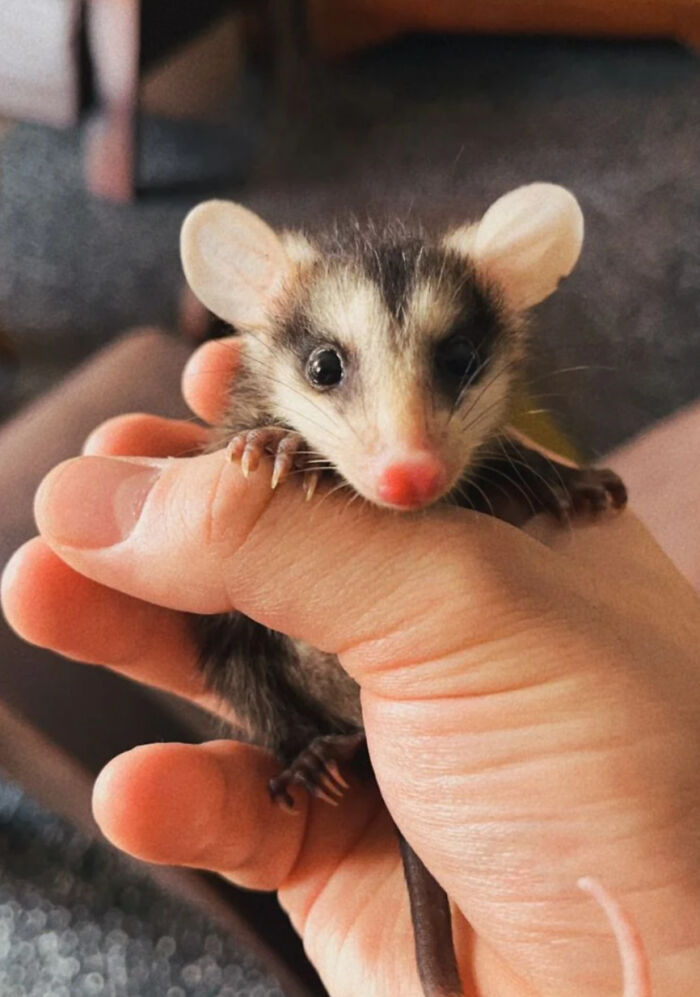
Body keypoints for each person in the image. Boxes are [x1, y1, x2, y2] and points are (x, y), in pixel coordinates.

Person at [2, 337, 699, 996]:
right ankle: (307, 745)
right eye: (331, 372)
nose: (404, 451)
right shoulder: (275, 414)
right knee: (231, 657)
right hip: (310, 685)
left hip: (408, 718)